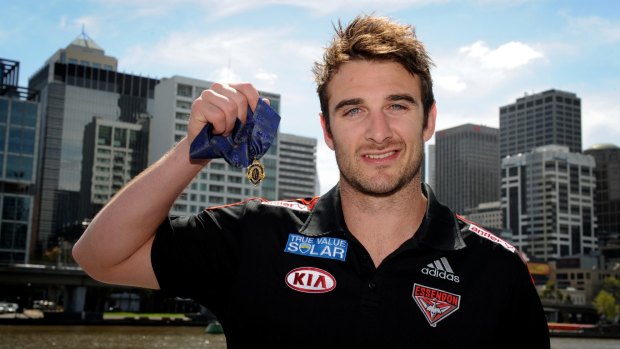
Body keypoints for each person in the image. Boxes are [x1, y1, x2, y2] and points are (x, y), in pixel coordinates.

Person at [73, 14, 550, 348]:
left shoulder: (498, 270)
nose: (378, 131)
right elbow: (98, 256)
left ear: (428, 121)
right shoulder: (254, 236)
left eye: (398, 105)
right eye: (354, 109)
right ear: (327, 130)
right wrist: (192, 151)